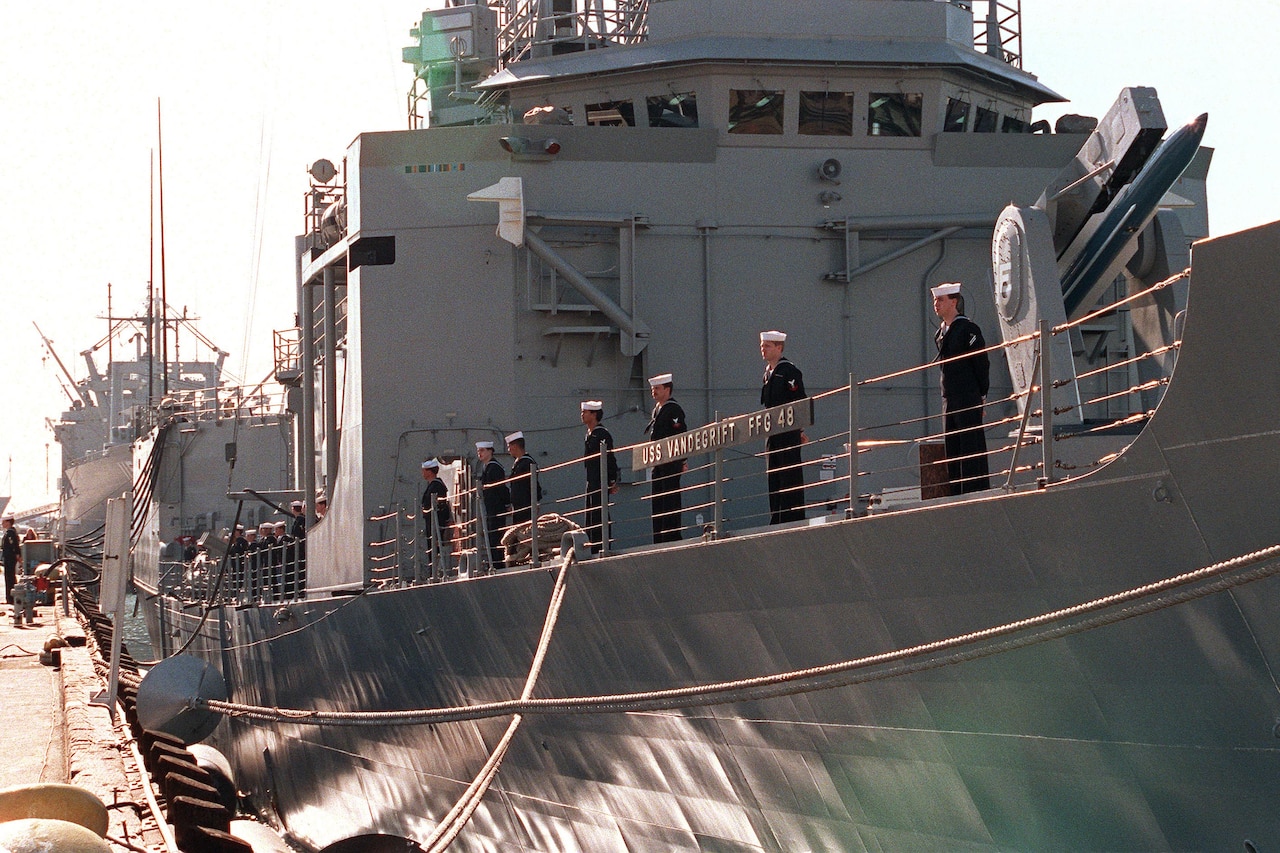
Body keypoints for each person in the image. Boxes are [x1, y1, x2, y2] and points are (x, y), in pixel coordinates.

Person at [932, 281, 991, 493]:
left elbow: (981, 364)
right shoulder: (941, 334)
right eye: (935, 300)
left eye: (940, 300)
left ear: (954, 302)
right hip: (949, 398)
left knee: (971, 445)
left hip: (968, 396)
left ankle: (975, 490)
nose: (936, 304)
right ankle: (956, 491)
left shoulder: (968, 330)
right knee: (953, 446)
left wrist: (981, 395)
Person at [759, 330, 807, 523]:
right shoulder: (767, 374)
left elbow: (799, 401)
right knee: (774, 476)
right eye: (762, 346)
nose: (762, 349)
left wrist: (800, 430)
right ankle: (776, 517)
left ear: (779, 348)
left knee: (789, 475)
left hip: (787, 431)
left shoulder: (788, 371)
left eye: (767, 346)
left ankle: (791, 517)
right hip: (773, 433)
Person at [644, 372, 687, 542]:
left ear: (667, 389)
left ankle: (671, 535)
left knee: (670, 499)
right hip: (658, 463)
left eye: (657, 388)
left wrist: (682, 460)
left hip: (670, 462)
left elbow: (680, 434)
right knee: (658, 500)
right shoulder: (657, 410)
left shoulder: (673, 409)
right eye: (652, 388)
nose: (653, 391)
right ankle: (659, 537)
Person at [581, 401, 619, 553]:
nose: (582, 415)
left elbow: (609, 458)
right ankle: (592, 546)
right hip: (592, 480)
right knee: (590, 514)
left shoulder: (602, 434)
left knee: (600, 513)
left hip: (600, 480)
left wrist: (611, 480)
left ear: (594, 414)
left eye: (586, 412)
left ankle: (602, 546)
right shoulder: (589, 435)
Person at [475, 441, 510, 568]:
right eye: (479, 451)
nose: (480, 453)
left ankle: (498, 564)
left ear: (490, 451)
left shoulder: (494, 468)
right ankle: (494, 563)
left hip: (497, 508)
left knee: (496, 536)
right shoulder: (487, 467)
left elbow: (501, 488)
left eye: (482, 450)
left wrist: (507, 503)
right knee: (492, 536)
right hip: (491, 508)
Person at [421, 459, 453, 567]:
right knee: (432, 545)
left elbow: (440, 505)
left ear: (430, 471)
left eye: (424, 470)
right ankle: (434, 569)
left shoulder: (436, 486)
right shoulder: (433, 485)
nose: (423, 473)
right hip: (432, 520)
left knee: (435, 545)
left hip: (436, 521)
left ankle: (436, 569)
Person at [505, 431, 542, 525]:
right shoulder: (518, 463)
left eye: (509, 446)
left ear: (515, 446)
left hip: (525, 506)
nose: (508, 450)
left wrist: (535, 502)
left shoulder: (527, 463)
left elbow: (532, 485)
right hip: (518, 507)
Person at [2, 514, 19, 605]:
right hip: (8, 557)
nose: (2, 524)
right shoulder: (9, 532)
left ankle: (11, 598)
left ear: (8, 522)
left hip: (10, 558)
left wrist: (17, 554)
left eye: (3, 522)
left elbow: (14, 545)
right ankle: (10, 597)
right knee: (9, 577)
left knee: (10, 577)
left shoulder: (10, 533)